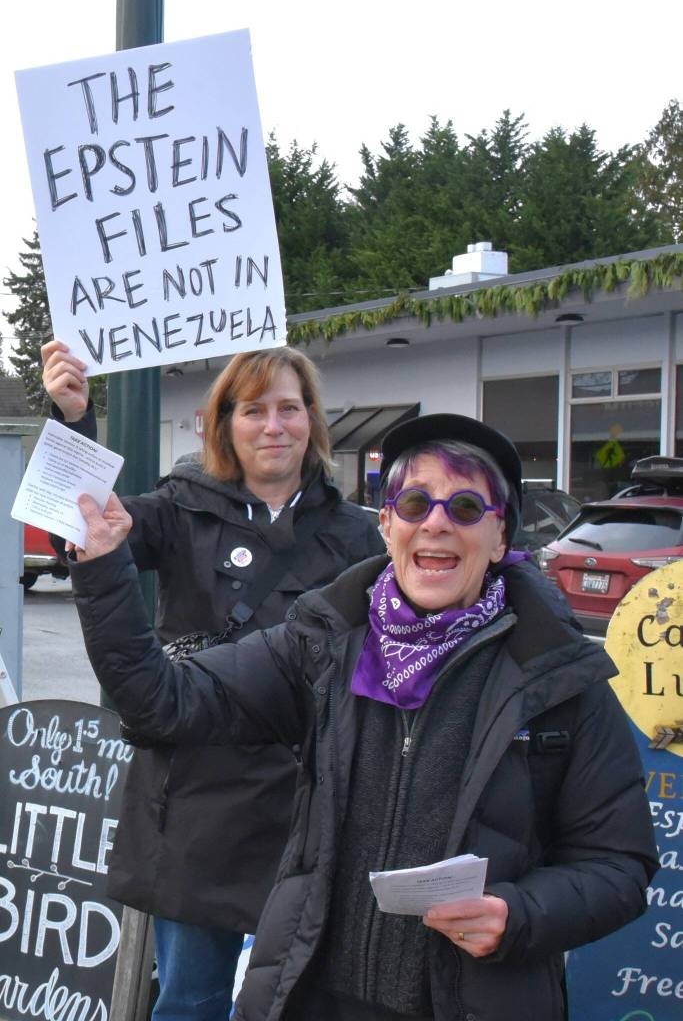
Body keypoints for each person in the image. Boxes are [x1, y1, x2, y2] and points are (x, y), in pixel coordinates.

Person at [65, 412, 658, 1021]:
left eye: (464, 509)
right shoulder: (321, 643)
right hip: (310, 998)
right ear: (386, 524)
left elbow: (618, 865)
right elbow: (160, 702)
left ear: (501, 537)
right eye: (415, 502)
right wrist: (105, 567)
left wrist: (520, 914)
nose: (435, 522)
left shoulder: (560, 679)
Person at [41, 340, 386, 1020]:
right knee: (191, 1000)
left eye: (290, 408)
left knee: (310, 1000)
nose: (273, 425)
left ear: (313, 421)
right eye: (253, 409)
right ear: (223, 423)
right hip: (199, 805)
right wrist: (74, 419)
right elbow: (74, 523)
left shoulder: (359, 536)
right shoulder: (178, 510)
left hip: (314, 806)